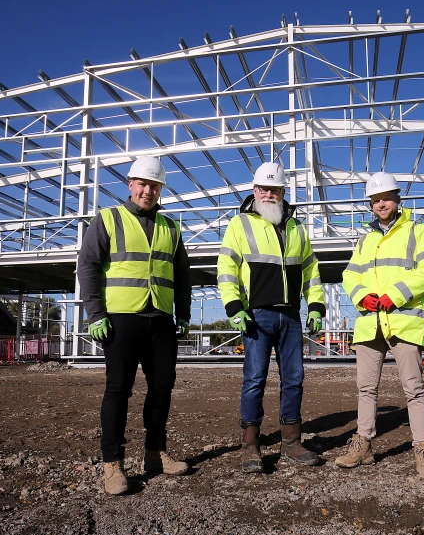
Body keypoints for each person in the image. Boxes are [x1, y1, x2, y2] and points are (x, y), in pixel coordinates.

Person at [77, 155, 191, 495]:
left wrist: (182, 313)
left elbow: (182, 274)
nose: (148, 190)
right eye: (143, 184)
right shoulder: (108, 219)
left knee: (161, 391)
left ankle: (156, 454)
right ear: (130, 185)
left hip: (160, 319)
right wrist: (95, 314)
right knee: (118, 391)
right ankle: (113, 465)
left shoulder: (171, 227)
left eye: (154, 186)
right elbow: (88, 267)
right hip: (122, 320)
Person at [217, 161, 326, 473]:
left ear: (282, 192)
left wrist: (316, 306)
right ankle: (250, 443)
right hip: (256, 315)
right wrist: (233, 306)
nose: (269, 194)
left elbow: (311, 272)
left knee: (294, 379)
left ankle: (291, 441)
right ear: (254, 190)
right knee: (254, 379)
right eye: (263, 189)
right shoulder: (240, 225)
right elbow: (226, 268)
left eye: (275, 189)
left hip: (290, 316)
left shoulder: (296, 228)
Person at [336, 172, 424, 479]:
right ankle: (363, 444)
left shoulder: (418, 232)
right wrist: (363, 297)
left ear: (397, 199)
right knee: (366, 388)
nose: (380, 204)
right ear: (370, 205)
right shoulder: (365, 240)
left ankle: (423, 450)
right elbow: (349, 276)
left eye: (385, 198)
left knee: (414, 389)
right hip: (371, 323)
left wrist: (394, 296)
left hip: (403, 322)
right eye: (375, 200)